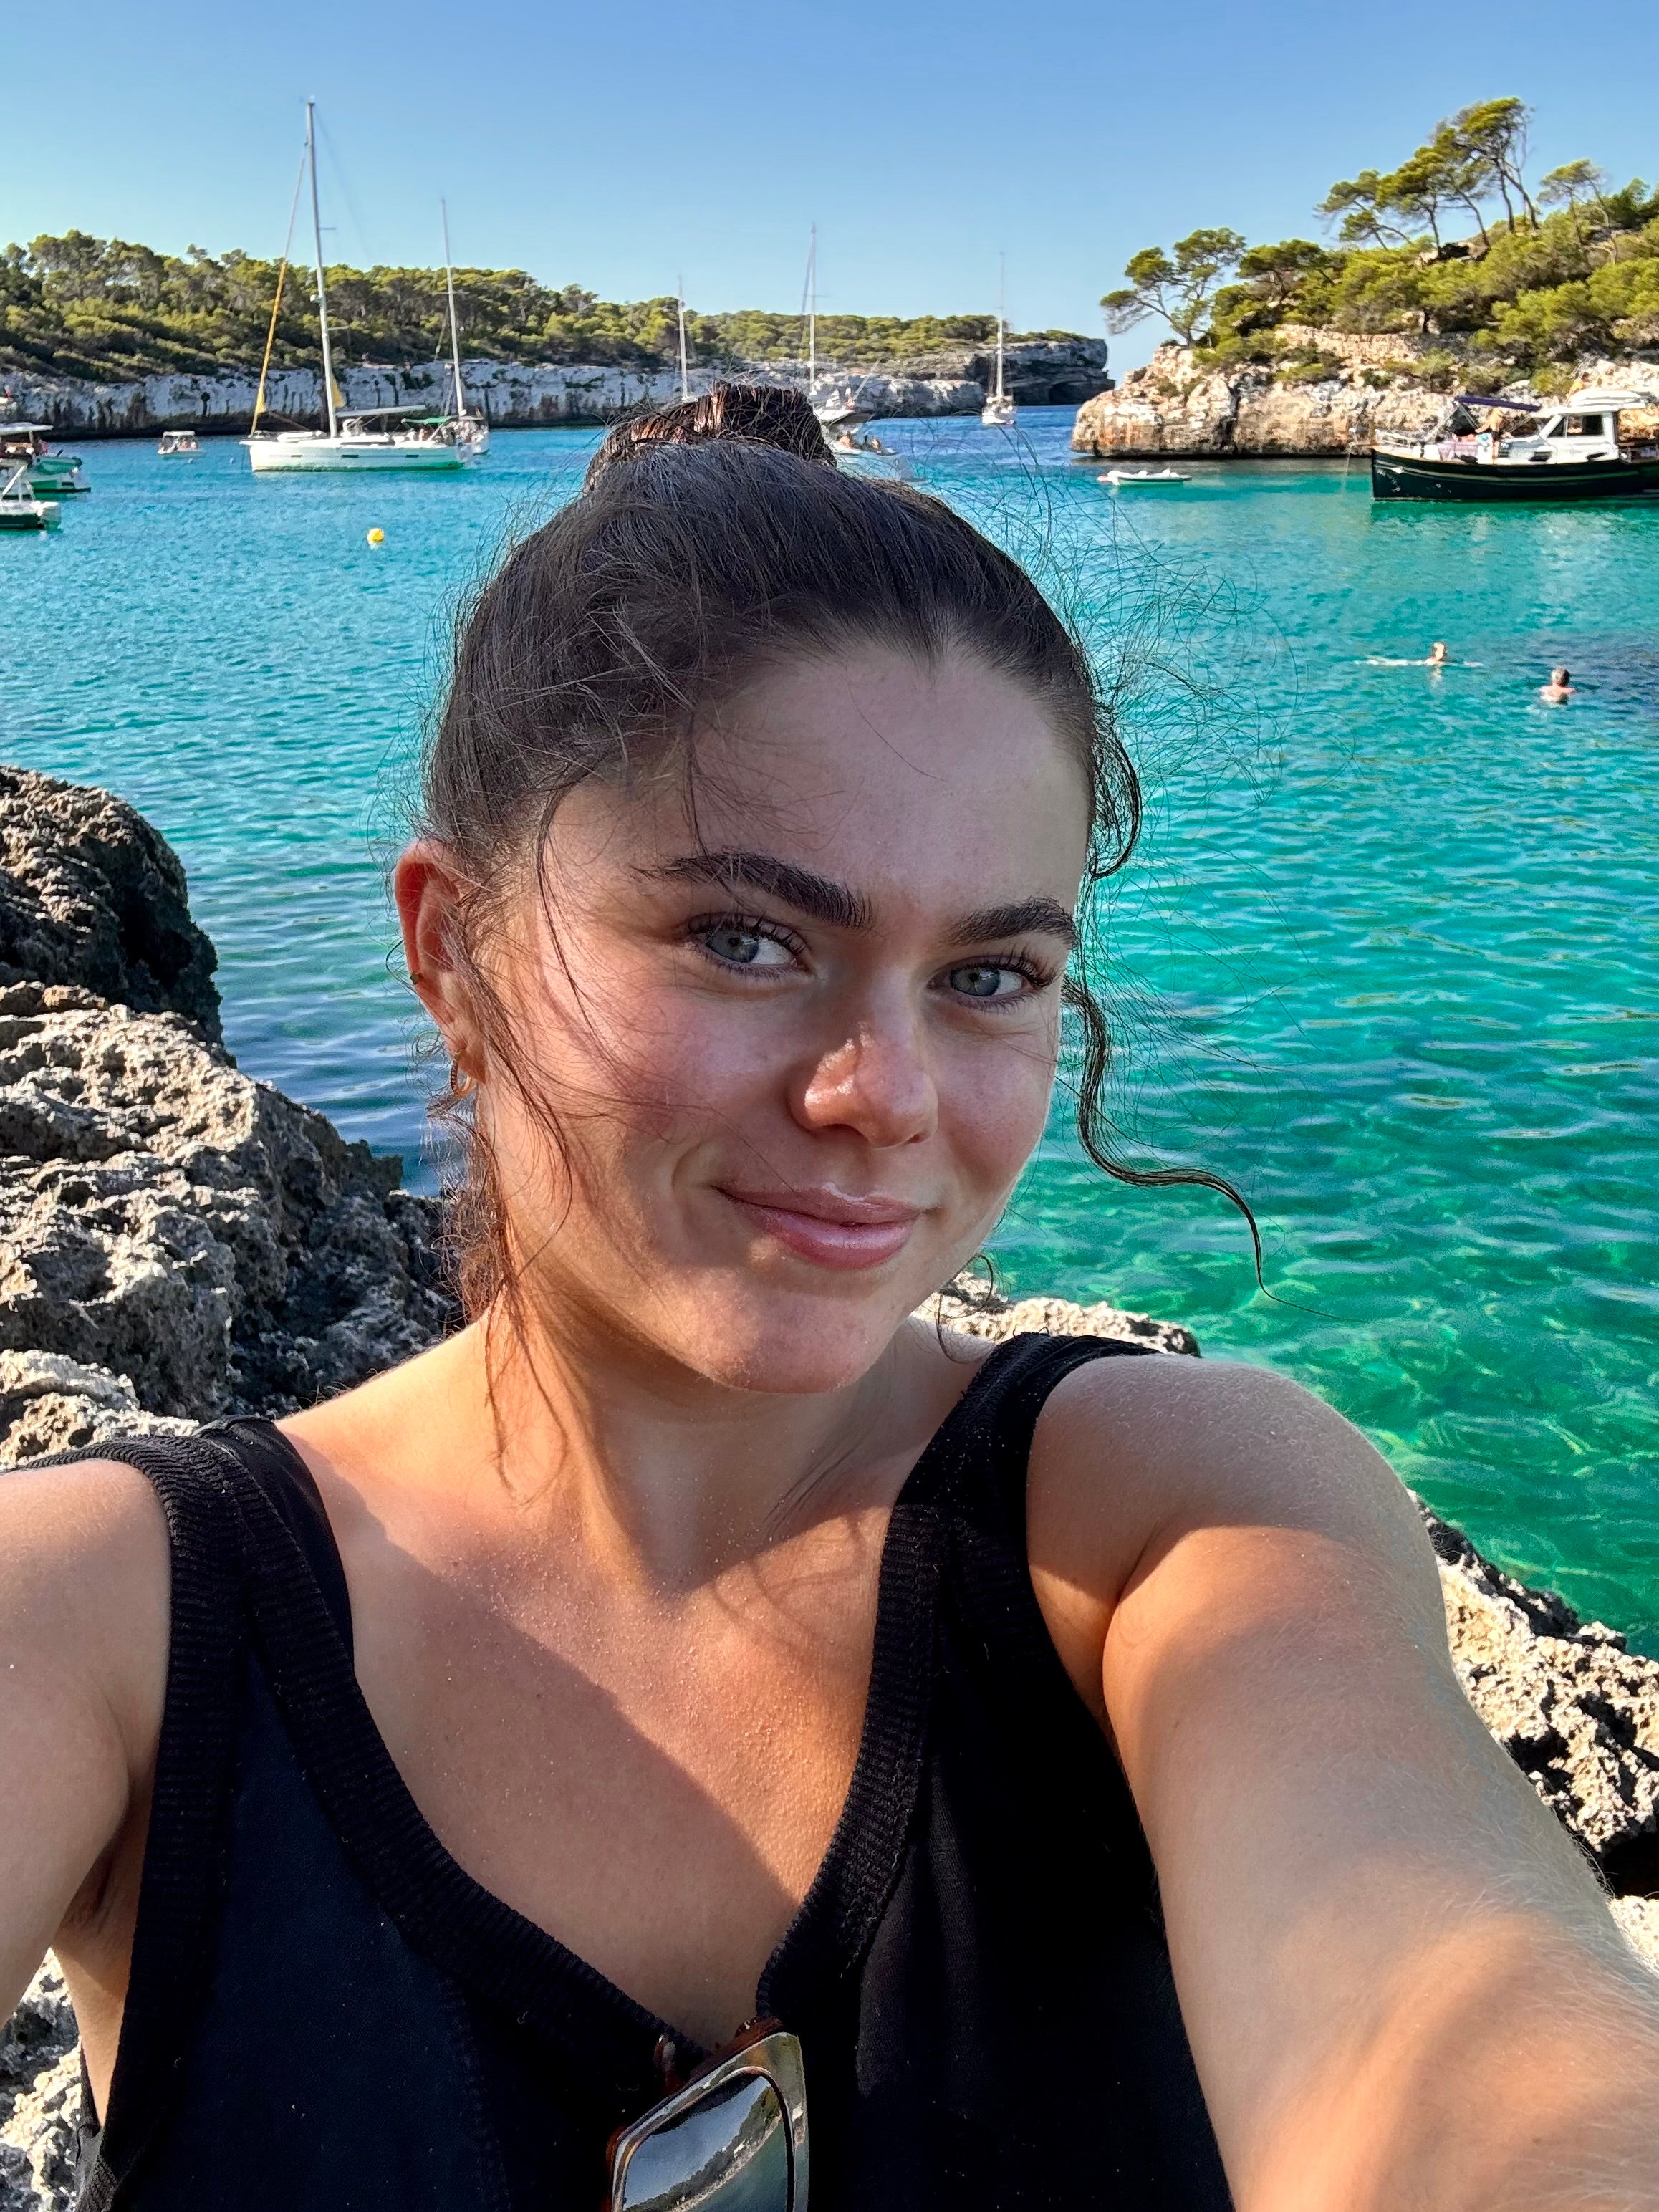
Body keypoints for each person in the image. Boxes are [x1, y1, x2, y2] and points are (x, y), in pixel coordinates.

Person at [4, 385, 1658, 2212]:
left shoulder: (1179, 1523)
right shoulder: (103, 1628)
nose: (885, 1090)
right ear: (451, 953)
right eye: (746, 938)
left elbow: (1454, 2022)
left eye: (991, 972)